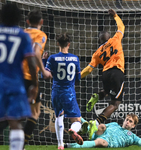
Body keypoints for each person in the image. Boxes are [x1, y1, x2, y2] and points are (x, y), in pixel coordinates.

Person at [81, 9, 125, 138]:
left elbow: (89, 69)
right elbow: (121, 26)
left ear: (100, 41)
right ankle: (96, 122)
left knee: (107, 91)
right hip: (117, 71)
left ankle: (97, 96)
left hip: (105, 73)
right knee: (115, 104)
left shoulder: (97, 52)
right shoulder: (116, 39)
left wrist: (77, 76)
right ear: (109, 37)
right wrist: (115, 16)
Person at [0, 3, 37, 150]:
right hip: (15, 84)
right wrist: (35, 84)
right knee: (16, 122)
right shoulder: (23, 36)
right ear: (19, 18)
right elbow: (32, 63)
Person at [43, 33, 83, 149]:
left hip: (56, 92)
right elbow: (78, 78)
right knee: (77, 121)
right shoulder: (75, 58)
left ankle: (60, 145)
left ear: (57, 44)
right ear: (69, 44)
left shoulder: (52, 58)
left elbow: (44, 75)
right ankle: (73, 130)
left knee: (58, 116)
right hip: (68, 92)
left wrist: (44, 60)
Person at [64, 114, 141, 148]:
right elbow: (99, 127)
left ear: (133, 126)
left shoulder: (133, 137)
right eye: (127, 119)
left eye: (130, 121)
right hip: (98, 131)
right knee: (102, 126)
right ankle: (83, 129)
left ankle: (69, 145)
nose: (127, 122)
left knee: (102, 143)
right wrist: (80, 118)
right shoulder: (114, 124)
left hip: (105, 141)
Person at [22, 9, 52, 147]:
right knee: (35, 112)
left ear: (27, 21)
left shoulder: (21, 33)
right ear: (41, 22)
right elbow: (35, 53)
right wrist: (44, 72)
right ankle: (21, 145)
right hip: (29, 77)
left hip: (15, 76)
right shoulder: (41, 35)